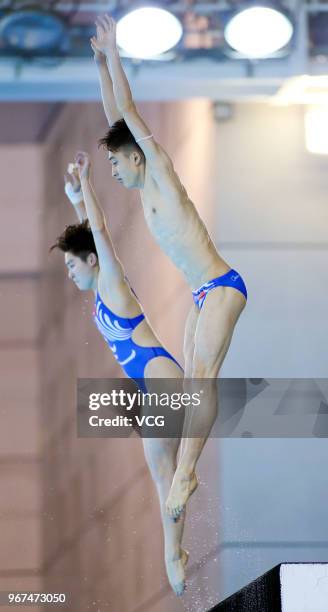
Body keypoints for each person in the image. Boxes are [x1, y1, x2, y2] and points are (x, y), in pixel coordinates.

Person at [91, 15, 248, 520]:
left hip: (223, 287)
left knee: (202, 379)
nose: (113, 173)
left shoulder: (158, 168)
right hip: (202, 293)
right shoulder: (144, 190)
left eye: (115, 164)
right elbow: (115, 114)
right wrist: (99, 66)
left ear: (137, 158)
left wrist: (115, 54)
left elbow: (129, 112)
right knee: (187, 393)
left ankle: (185, 477)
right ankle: (184, 471)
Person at [50, 157, 191, 596]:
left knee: (166, 471)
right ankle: (176, 549)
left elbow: (102, 235)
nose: (69, 273)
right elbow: (93, 238)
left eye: (72, 266)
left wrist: (88, 187)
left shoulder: (110, 282)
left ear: (91, 262)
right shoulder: (101, 287)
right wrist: (75, 202)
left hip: (160, 375)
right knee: (160, 473)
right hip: (149, 384)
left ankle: (173, 553)